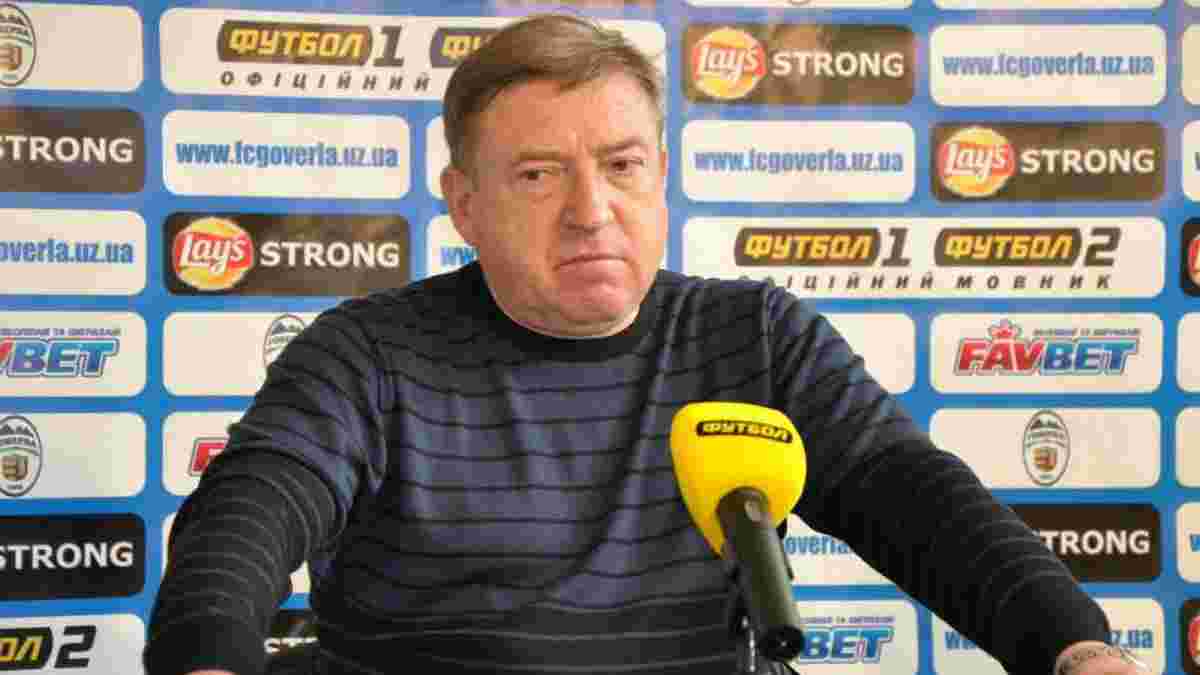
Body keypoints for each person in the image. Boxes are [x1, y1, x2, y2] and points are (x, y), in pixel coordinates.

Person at [144, 13, 1148, 675]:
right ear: (464, 202)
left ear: (661, 175)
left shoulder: (756, 336)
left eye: (622, 166)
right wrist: (208, 653)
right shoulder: (366, 354)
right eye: (538, 175)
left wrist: (1074, 646)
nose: (592, 210)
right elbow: (253, 506)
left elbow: (912, 496)